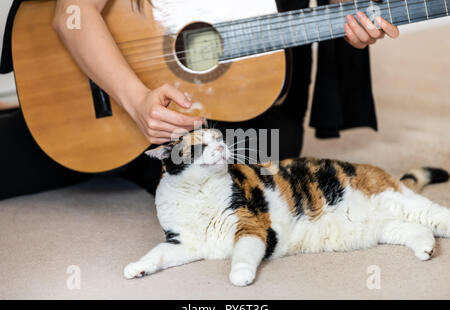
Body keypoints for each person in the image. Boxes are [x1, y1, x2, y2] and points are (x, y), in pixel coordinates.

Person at [0, 0, 399, 200]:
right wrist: (137, 101)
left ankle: (136, 151)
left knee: (276, 146)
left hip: (200, 96)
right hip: (102, 80)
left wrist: (347, 23)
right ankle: (137, 146)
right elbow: (71, 11)